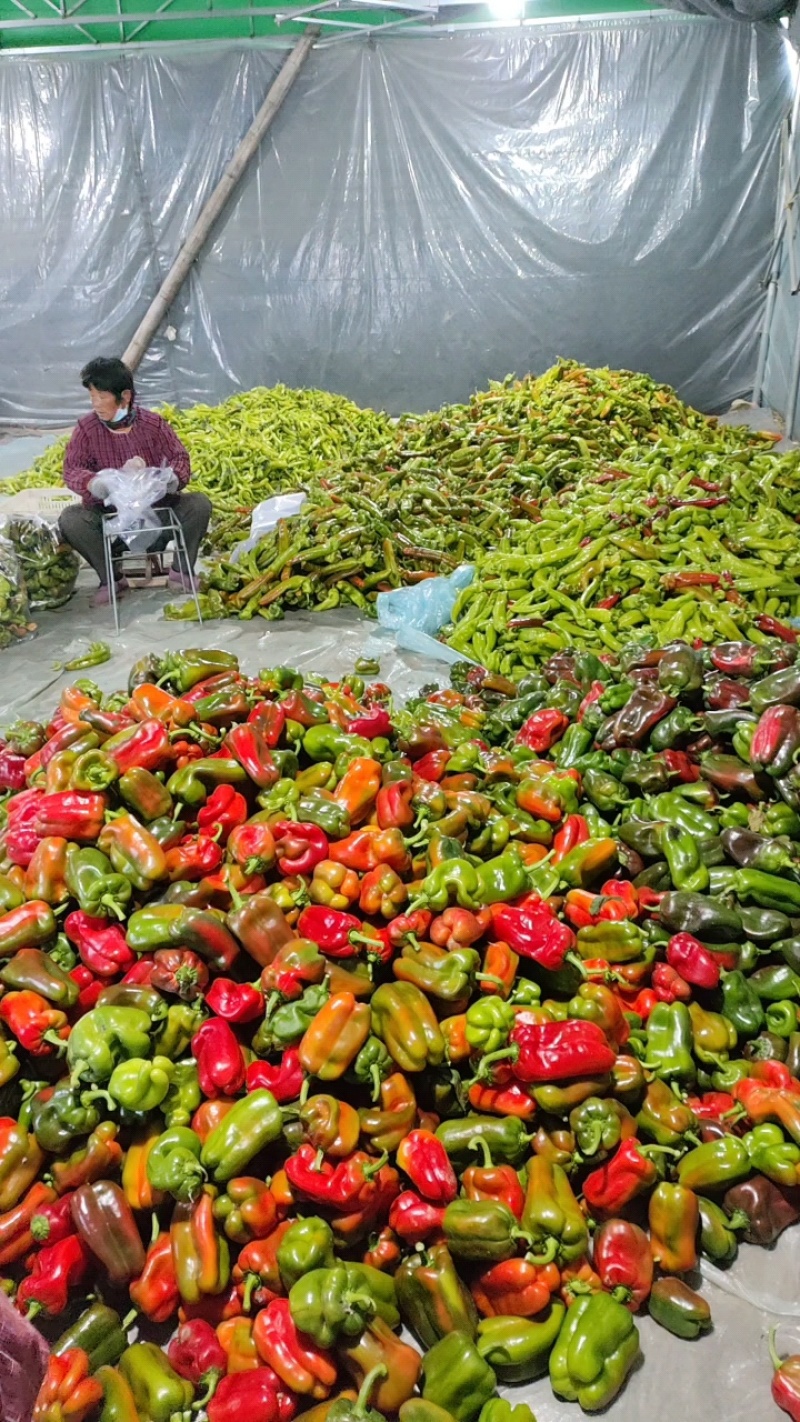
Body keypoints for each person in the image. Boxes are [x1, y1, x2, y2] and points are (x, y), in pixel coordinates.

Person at [59, 356, 211, 606]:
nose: (95, 404)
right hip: (112, 522)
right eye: (92, 397)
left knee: (199, 505)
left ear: (125, 396)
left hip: (157, 515)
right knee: (71, 519)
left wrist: (168, 479)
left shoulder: (153, 425)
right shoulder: (86, 429)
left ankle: (181, 572)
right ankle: (111, 579)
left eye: (102, 397)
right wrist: (96, 483)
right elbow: (72, 469)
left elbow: (180, 458)